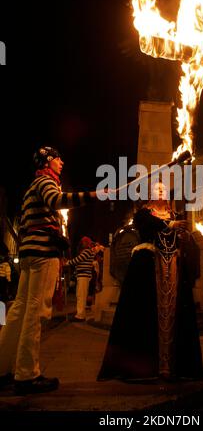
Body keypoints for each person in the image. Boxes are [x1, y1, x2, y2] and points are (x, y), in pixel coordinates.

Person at [0, 146, 106, 394]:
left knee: (19, 309)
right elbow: (57, 201)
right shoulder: (46, 181)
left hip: (29, 254)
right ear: (48, 161)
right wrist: (94, 195)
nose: (62, 161)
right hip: (42, 255)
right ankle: (27, 374)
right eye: (57, 158)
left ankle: (4, 368)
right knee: (36, 312)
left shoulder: (30, 188)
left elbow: (30, 225)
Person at [98, 182, 203, 382]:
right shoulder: (143, 214)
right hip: (149, 266)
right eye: (156, 189)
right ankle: (145, 366)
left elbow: (177, 238)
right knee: (146, 310)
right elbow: (146, 225)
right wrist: (169, 226)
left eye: (163, 190)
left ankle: (176, 366)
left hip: (173, 266)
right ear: (150, 194)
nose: (160, 191)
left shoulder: (174, 215)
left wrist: (181, 234)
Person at [66, 237, 104, 321]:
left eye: (83, 241)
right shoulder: (90, 251)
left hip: (83, 275)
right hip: (84, 275)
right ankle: (80, 314)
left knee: (81, 296)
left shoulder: (87, 251)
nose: (81, 242)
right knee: (80, 295)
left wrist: (67, 262)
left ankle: (80, 316)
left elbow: (77, 260)